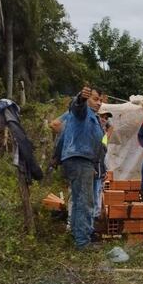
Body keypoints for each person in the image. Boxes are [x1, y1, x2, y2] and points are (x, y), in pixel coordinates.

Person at [59, 86, 105, 249]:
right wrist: (81, 98)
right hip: (79, 158)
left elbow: (100, 144)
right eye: (95, 99)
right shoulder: (83, 112)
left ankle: (78, 235)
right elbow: (76, 106)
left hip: (84, 160)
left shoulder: (94, 118)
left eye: (100, 100)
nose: (99, 103)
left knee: (79, 200)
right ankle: (83, 242)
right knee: (85, 201)